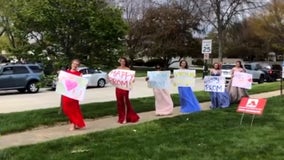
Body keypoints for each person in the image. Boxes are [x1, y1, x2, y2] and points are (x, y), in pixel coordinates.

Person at [61, 59, 86, 131]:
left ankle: (73, 124)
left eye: (77, 64)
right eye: (74, 64)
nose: (75, 65)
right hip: (66, 94)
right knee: (66, 109)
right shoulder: (66, 73)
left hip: (74, 95)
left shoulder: (79, 74)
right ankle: (75, 122)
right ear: (71, 64)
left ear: (78, 66)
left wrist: (83, 82)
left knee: (74, 109)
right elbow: (62, 83)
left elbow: (81, 86)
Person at [115, 57, 140, 124]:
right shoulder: (117, 69)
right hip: (118, 88)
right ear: (119, 62)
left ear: (125, 62)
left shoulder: (127, 69)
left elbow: (132, 79)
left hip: (125, 88)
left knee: (125, 101)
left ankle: (125, 118)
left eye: (124, 61)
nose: (122, 62)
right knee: (119, 103)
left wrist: (132, 79)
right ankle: (121, 117)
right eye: (121, 61)